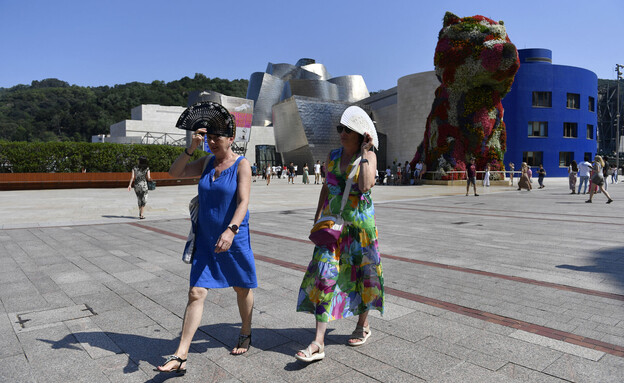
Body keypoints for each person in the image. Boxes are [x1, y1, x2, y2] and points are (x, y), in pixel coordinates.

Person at [157, 101, 257, 374]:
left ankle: (246, 331)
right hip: (205, 238)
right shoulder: (205, 162)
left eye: (217, 137)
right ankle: (181, 354)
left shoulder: (241, 165)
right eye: (209, 137)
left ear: (231, 139)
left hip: (233, 236)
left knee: (241, 287)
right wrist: (191, 146)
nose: (212, 142)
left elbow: (244, 202)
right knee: (196, 292)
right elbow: (173, 173)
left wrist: (231, 230)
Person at [295, 106, 384, 363]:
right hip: (333, 227)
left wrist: (366, 152)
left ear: (360, 135)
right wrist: (317, 219)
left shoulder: (369, 157)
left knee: (363, 276)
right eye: (340, 129)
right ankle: (318, 341)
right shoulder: (332, 156)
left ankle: (363, 325)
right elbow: (326, 188)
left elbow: (366, 185)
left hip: (360, 229)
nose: (342, 133)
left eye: (348, 130)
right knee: (324, 274)